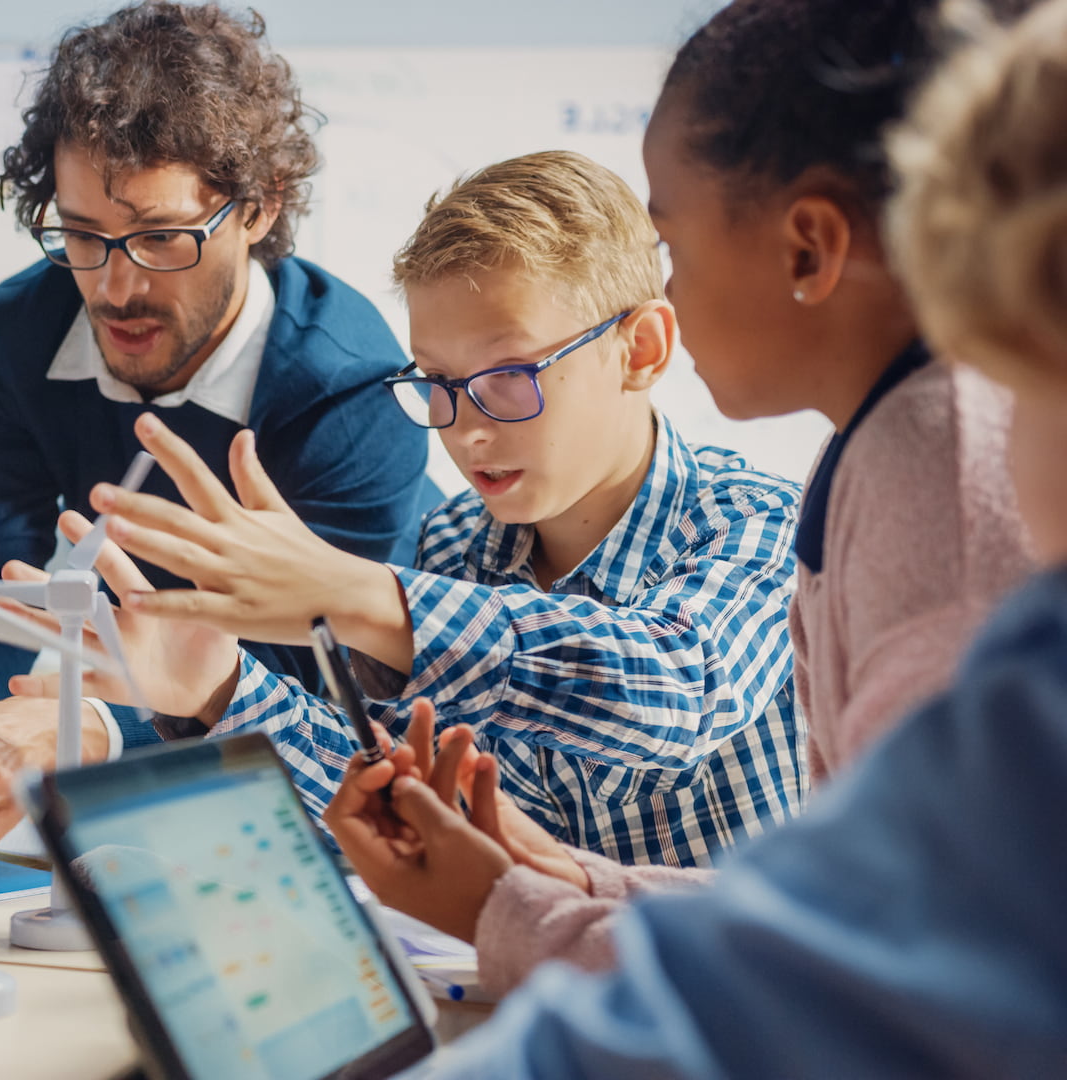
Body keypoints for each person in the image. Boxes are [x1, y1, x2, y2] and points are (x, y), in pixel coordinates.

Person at [412, 3, 1067, 1070]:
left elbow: (854, 985)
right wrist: (563, 889)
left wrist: (369, 604)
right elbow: (875, 918)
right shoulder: (887, 448)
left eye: (669, 243)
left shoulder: (934, 465)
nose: (660, 292)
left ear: (808, 245)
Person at [0, 1, 440, 857]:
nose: (114, 289)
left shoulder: (352, 389)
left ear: (258, 208)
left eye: (160, 238)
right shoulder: (10, 340)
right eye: (82, 235)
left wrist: (79, 727)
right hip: (117, 786)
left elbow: (320, 690)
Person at [68, 150, 805, 870]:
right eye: (439, 381)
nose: (467, 427)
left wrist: (358, 595)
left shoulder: (757, 524)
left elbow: (678, 688)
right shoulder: (452, 548)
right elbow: (399, 817)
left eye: (511, 375)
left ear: (640, 348)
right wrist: (219, 689)